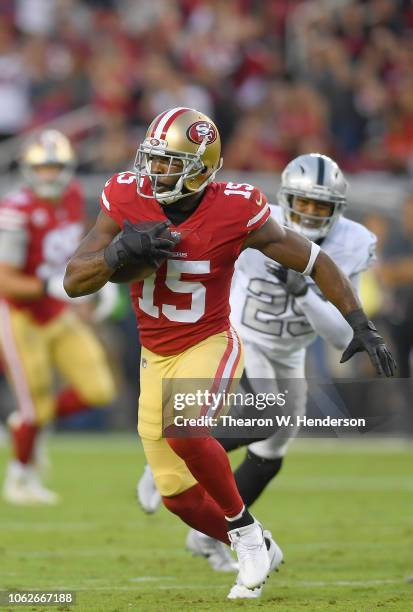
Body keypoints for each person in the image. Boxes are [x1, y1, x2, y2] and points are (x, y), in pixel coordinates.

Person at [64, 108, 395, 597]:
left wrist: (358, 321)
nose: (154, 173)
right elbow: (74, 279)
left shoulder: (237, 209)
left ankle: (243, 536)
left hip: (209, 340)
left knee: (188, 431)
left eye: (168, 163)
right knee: (176, 495)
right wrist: (115, 255)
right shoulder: (126, 196)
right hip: (154, 354)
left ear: (199, 167)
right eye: (152, 161)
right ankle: (257, 536)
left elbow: (313, 259)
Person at [136, 153, 380, 597]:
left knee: (273, 447)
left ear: (337, 210)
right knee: (265, 420)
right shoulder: (254, 221)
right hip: (247, 336)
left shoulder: (352, 242)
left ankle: (209, 534)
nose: (308, 214)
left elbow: (337, 335)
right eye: (301, 204)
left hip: (292, 350)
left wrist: (306, 293)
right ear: (285, 200)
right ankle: (193, 476)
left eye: (319, 207)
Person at [0, 129, 116, 505]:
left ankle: (26, 429)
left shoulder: (70, 198)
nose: (49, 175)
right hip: (18, 315)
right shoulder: (16, 210)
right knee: (33, 403)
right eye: (42, 167)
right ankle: (19, 477)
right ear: (29, 169)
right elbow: (4, 279)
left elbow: (74, 250)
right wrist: (45, 286)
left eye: (55, 167)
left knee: (98, 389)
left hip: (57, 312)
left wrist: (97, 280)